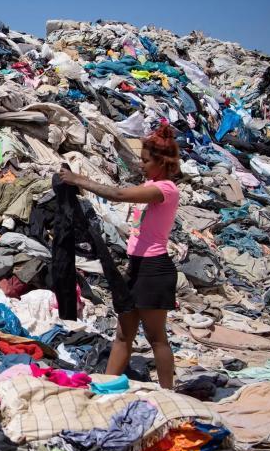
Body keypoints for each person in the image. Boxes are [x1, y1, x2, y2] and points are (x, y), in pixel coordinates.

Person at [58, 123, 181, 389]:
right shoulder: (151, 183)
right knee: (123, 334)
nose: (142, 165)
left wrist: (78, 180)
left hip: (155, 269)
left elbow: (119, 194)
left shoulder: (166, 189)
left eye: (146, 161)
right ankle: (105, 386)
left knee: (156, 337)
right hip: (135, 267)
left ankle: (169, 392)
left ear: (161, 162)